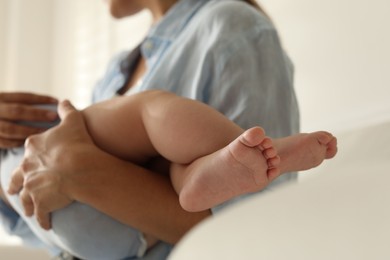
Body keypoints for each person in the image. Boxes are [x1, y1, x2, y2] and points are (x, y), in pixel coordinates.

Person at [0, 0, 301, 259]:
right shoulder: (115, 73)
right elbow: (59, 222)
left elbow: (255, 226)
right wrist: (19, 166)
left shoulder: (233, 30)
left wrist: (80, 168)